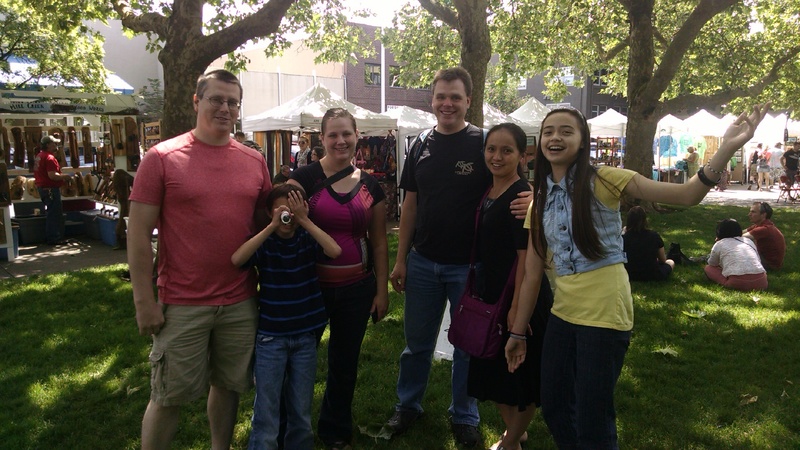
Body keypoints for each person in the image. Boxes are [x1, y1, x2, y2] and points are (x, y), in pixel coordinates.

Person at [508, 103, 768, 448]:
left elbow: (687, 195)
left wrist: (727, 147)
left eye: (566, 131)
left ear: (583, 141)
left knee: (592, 418)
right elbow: (531, 273)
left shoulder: (605, 179)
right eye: (549, 132)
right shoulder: (539, 200)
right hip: (562, 316)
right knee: (555, 407)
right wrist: (518, 332)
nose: (555, 137)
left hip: (604, 316)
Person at [385, 67, 530, 448]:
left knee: (468, 346)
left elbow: (510, 179)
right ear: (432, 100)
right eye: (441, 96)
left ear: (468, 100)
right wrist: (401, 259)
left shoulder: (483, 143)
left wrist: (532, 195)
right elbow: (410, 204)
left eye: (455, 97)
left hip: (470, 267)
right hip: (422, 262)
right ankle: (408, 405)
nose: (447, 104)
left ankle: (464, 415)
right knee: (416, 344)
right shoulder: (420, 143)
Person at [128, 69, 272, 450]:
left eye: (233, 102)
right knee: (167, 396)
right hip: (182, 302)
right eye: (216, 99)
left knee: (228, 386)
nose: (225, 108)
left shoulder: (254, 161)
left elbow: (266, 225)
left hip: (240, 299)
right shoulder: (161, 158)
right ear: (196, 101)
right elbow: (138, 233)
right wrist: (144, 302)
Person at [287, 108, 389, 450]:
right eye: (333, 134)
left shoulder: (371, 186)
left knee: (344, 365)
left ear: (357, 135)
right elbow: (282, 227)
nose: (340, 140)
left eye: (346, 133)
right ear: (322, 138)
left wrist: (381, 291)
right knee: (298, 363)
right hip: (309, 289)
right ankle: (289, 429)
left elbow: (378, 242)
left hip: (356, 290)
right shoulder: (302, 179)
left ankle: (335, 431)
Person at [231, 184, 341, 450]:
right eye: (281, 210)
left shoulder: (306, 238)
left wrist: (304, 220)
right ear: (269, 211)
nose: (287, 216)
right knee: (266, 410)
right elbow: (237, 259)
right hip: (272, 339)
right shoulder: (266, 243)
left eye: (293, 209)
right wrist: (270, 226)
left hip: (304, 337)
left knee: (301, 410)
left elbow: (334, 251)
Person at [466, 123, 553, 450]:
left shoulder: (519, 197)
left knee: (519, 376)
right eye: (491, 149)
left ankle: (511, 442)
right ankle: (516, 434)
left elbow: (525, 259)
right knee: (493, 373)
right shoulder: (489, 189)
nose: (497, 157)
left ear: (522, 156)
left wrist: (518, 308)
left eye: (506, 150)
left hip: (519, 295)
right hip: (492, 294)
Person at [704, 218, 768, 291]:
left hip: (737, 283)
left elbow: (712, 263)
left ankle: (727, 282)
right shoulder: (748, 241)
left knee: (708, 268)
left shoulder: (719, 244)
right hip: (762, 282)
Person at [33, 135, 71, 245]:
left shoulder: (39, 156)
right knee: (54, 213)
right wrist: (65, 177)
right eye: (54, 143)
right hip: (50, 189)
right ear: (48, 145)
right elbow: (52, 175)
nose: (56, 145)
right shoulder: (49, 158)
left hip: (42, 188)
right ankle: (54, 238)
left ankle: (53, 237)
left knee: (51, 212)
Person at [622, 206, 674, 281]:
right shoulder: (654, 236)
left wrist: (624, 232)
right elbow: (663, 260)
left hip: (630, 274)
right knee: (670, 262)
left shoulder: (624, 238)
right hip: (652, 274)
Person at [743, 201, 785, 270]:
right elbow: (738, 233)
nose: (749, 214)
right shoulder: (760, 225)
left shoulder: (765, 229)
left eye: (753, 212)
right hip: (766, 260)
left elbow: (739, 237)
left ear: (763, 215)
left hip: (770, 265)